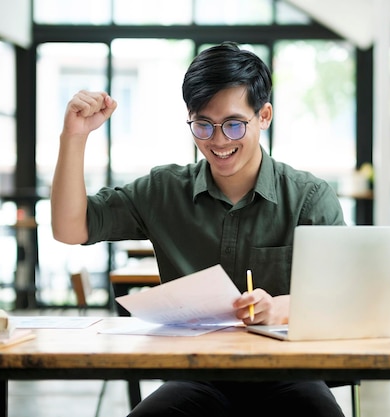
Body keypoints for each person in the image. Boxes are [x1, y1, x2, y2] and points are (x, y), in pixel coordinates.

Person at [51, 41, 346, 417]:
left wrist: (280, 308)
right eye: (203, 125)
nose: (218, 140)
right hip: (196, 375)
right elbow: (70, 229)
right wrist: (74, 137)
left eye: (234, 124)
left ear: (265, 115)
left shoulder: (309, 198)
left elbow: (341, 301)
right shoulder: (164, 191)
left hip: (288, 371)